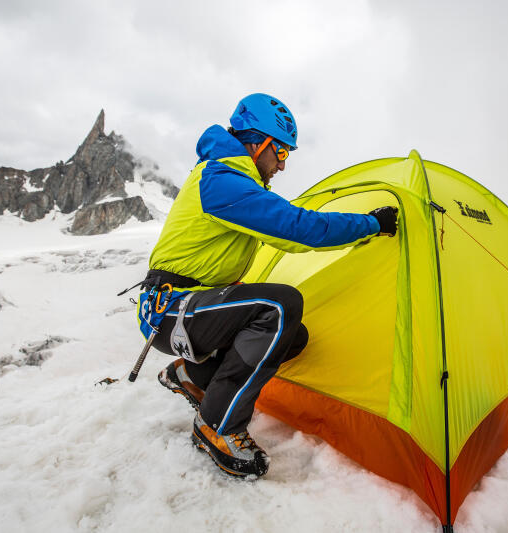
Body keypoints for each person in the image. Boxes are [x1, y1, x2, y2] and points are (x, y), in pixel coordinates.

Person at [139, 93, 398, 479]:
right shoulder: (222, 180)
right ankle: (218, 426)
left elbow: (286, 230)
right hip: (171, 310)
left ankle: (192, 377)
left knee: (292, 335)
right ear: (260, 143)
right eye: (281, 153)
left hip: (184, 310)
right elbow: (298, 228)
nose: (281, 164)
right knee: (279, 307)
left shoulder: (231, 181)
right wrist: (371, 224)